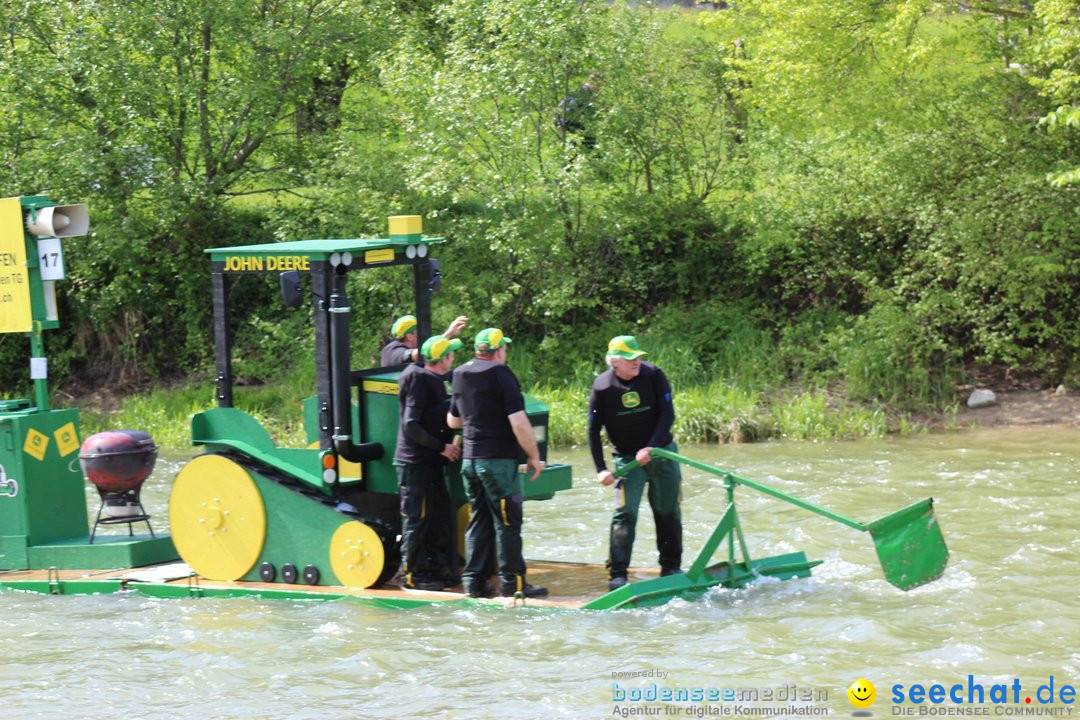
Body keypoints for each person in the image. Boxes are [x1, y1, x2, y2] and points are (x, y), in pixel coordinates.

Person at [447, 327, 548, 599]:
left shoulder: (459, 374)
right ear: (498, 350)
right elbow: (518, 422)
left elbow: (453, 421)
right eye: (504, 348)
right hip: (498, 463)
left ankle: (474, 583)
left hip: (470, 461)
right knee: (508, 523)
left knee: (478, 521)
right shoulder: (501, 374)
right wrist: (534, 456)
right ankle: (512, 584)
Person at [587, 335, 683, 591]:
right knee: (624, 515)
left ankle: (671, 566)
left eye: (639, 357)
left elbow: (667, 413)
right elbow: (593, 430)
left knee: (668, 510)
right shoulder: (603, 387)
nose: (637, 362)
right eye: (631, 358)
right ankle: (618, 573)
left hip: (661, 453)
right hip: (627, 460)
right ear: (615, 362)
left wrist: (651, 446)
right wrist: (601, 469)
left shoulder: (654, 375)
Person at [394, 334, 464, 591]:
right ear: (442, 358)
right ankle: (412, 573)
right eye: (451, 354)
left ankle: (438, 568)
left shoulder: (437, 380)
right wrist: (441, 447)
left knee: (438, 516)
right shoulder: (417, 378)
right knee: (417, 517)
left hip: (434, 463)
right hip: (415, 462)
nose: (454, 357)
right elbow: (410, 425)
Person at [380, 314, 468, 367]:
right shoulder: (395, 352)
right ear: (410, 335)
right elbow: (419, 354)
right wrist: (449, 333)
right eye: (419, 331)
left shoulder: (387, 349)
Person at [555, 72, 602, 150]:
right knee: (577, 150)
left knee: (590, 145)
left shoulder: (587, 93)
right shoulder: (583, 93)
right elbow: (566, 107)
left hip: (576, 124)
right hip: (569, 124)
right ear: (593, 82)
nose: (600, 88)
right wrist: (559, 123)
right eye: (599, 85)